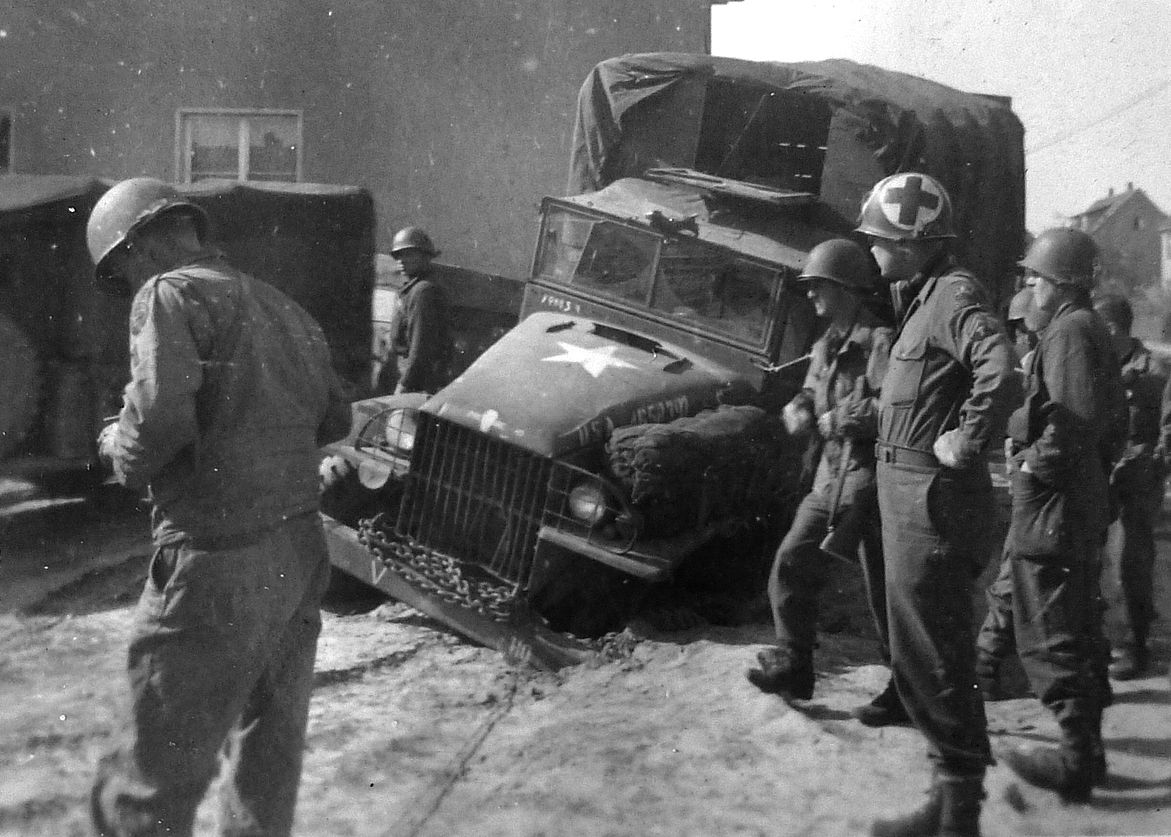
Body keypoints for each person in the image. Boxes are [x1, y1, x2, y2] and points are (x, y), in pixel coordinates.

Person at [86, 177, 351, 836]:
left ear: (140, 243)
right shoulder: (284, 307)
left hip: (214, 561)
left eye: (121, 268)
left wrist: (116, 445)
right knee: (267, 759)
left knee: (150, 770)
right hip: (296, 553)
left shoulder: (167, 293)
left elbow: (155, 426)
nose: (128, 281)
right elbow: (334, 416)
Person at [860, 172, 1019, 837]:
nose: (869, 248)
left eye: (878, 237)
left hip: (929, 496)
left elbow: (999, 365)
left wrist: (970, 435)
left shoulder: (952, 294)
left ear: (914, 238)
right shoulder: (918, 298)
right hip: (904, 492)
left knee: (938, 651)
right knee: (921, 652)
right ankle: (947, 794)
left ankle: (959, 817)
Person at [747, 238, 906, 726]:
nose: (811, 296)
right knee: (791, 561)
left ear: (845, 288)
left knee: (884, 590)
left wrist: (839, 419)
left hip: (868, 485)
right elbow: (809, 394)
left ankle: (905, 686)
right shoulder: (825, 344)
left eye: (819, 287)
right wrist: (797, 409)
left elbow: (894, 411)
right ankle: (795, 665)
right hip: (829, 479)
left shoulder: (881, 344)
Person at [998, 228, 1126, 804]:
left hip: (1055, 505)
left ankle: (1076, 761)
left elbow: (1072, 425)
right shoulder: (1083, 328)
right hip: (1073, 502)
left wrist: (1030, 468)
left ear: (1061, 284)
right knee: (1072, 625)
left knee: (1051, 633)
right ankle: (1088, 754)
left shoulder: (1071, 331)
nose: (1029, 285)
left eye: (1035, 278)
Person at [1093, 293, 1165, 680]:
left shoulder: (1154, 370)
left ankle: (1134, 645)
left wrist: (1149, 466)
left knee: (1129, 564)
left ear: (1111, 328)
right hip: (1097, 476)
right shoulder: (1097, 365)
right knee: (1091, 562)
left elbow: (1164, 432)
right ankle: (1100, 640)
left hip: (1134, 482)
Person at [379, 225, 452, 395]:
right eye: (398, 256)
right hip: (406, 377)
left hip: (415, 384)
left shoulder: (423, 292)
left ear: (425, 257)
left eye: (409, 254)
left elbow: (421, 348)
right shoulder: (412, 289)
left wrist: (404, 385)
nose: (401, 261)